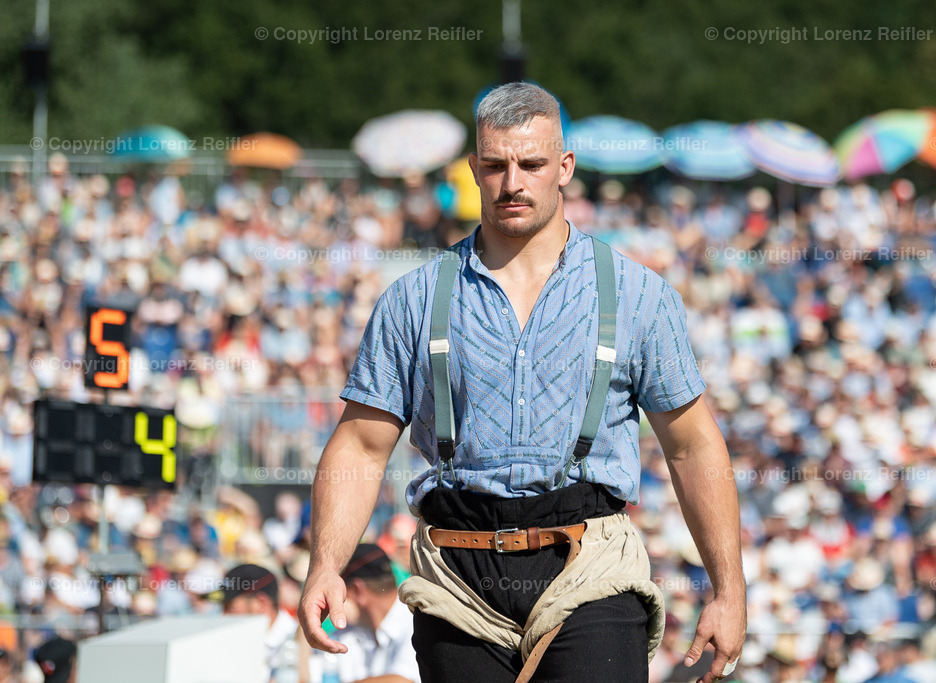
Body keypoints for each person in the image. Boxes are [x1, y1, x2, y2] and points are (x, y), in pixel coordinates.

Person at [299, 81, 746, 683]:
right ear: (473, 170)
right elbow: (359, 443)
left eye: (531, 164)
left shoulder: (638, 294)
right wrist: (326, 564)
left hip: (588, 562)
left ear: (564, 167)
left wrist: (728, 588)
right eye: (495, 165)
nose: (513, 183)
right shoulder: (413, 298)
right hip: (457, 571)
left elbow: (692, 444)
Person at [316, 543, 419, 683]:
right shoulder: (352, 630)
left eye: (335, 593)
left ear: (357, 590)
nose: (330, 602)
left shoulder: (416, 622)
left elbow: (405, 680)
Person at [219, 563, 302, 683]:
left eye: (230, 607)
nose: (223, 615)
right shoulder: (232, 642)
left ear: (260, 603)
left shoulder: (302, 643)